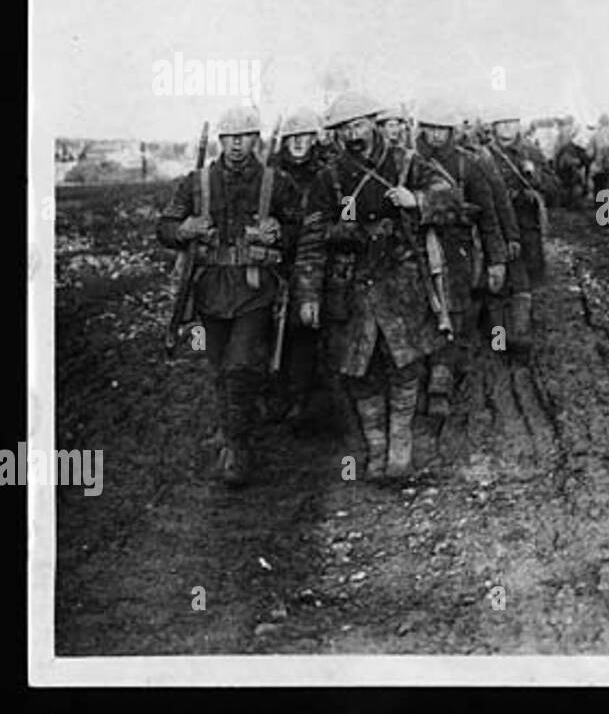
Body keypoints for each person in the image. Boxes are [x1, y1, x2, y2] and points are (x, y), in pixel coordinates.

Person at [294, 91, 459, 481]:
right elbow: (312, 240)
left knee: (406, 364)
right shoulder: (329, 178)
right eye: (343, 128)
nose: (352, 134)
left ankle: (400, 445)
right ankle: (375, 449)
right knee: (358, 370)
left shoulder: (407, 163)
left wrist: (416, 200)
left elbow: (452, 200)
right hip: (350, 284)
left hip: (401, 281)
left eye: (358, 124)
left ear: (372, 122)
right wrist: (307, 294)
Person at [157, 105, 302, 487]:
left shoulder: (276, 182)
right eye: (230, 138)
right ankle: (230, 428)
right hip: (209, 289)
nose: (237, 145)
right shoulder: (197, 182)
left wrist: (278, 233)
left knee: (240, 365)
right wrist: (185, 228)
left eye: (244, 137)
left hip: (255, 289)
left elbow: (299, 229)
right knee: (219, 366)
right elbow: (165, 227)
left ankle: (238, 448)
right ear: (221, 141)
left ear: (256, 139)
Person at [413, 98, 509, 418]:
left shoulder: (468, 164)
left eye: (442, 129)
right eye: (431, 128)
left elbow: (489, 216)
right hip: (417, 247)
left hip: (459, 248)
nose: (437, 135)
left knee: (457, 311)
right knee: (424, 310)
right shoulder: (409, 163)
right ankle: (427, 374)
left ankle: (442, 379)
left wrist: (497, 259)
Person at [268, 107, 330, 425]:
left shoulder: (325, 173)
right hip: (277, 260)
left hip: (315, 259)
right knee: (271, 329)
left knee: (305, 329)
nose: (297, 143)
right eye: (292, 137)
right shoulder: (272, 174)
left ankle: (300, 397)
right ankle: (275, 393)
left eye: (304, 136)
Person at [485, 113, 548, 361]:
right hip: (494, 227)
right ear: (493, 125)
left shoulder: (531, 152)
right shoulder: (483, 155)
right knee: (496, 286)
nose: (506, 128)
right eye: (501, 121)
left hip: (525, 228)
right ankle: (499, 342)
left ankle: (520, 339)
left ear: (519, 125)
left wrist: (534, 178)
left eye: (511, 122)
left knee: (523, 285)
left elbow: (554, 189)